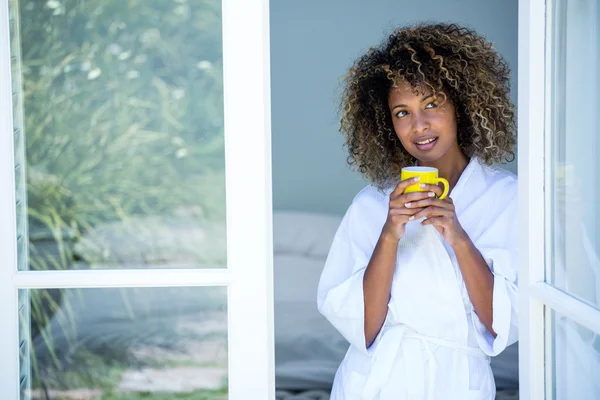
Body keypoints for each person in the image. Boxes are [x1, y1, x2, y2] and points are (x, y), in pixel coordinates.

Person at [317, 23, 518, 400]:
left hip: (459, 383)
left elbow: (502, 323)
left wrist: (457, 237)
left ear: (460, 104)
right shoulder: (372, 204)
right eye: (402, 112)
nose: (419, 125)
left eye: (431, 104)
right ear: (387, 123)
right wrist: (390, 233)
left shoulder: (506, 198)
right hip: (377, 383)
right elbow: (364, 328)